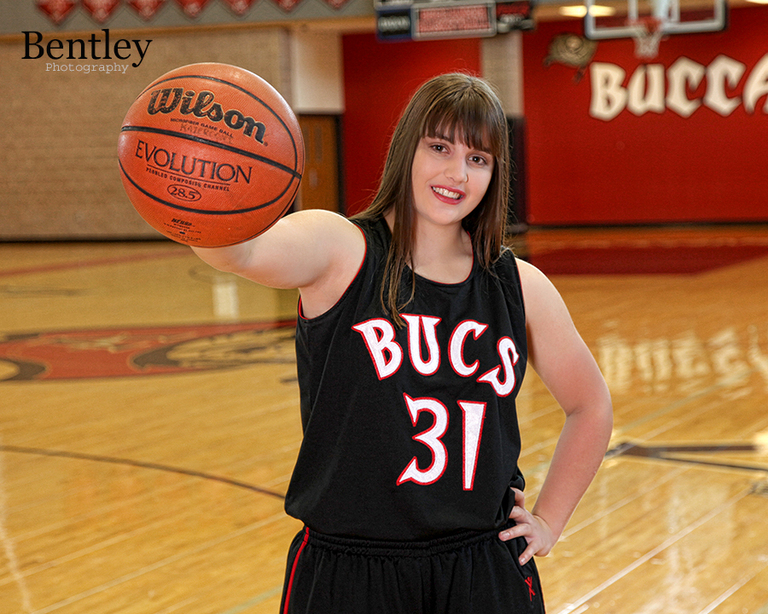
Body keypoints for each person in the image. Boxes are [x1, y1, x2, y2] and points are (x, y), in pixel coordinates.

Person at [191, 73, 613, 614]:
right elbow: (242, 254)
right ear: (406, 149)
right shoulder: (342, 250)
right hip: (351, 570)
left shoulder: (518, 285)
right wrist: (198, 192)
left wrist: (549, 521)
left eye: (478, 158)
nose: (457, 173)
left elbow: (590, 405)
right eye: (439, 148)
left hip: (482, 564)